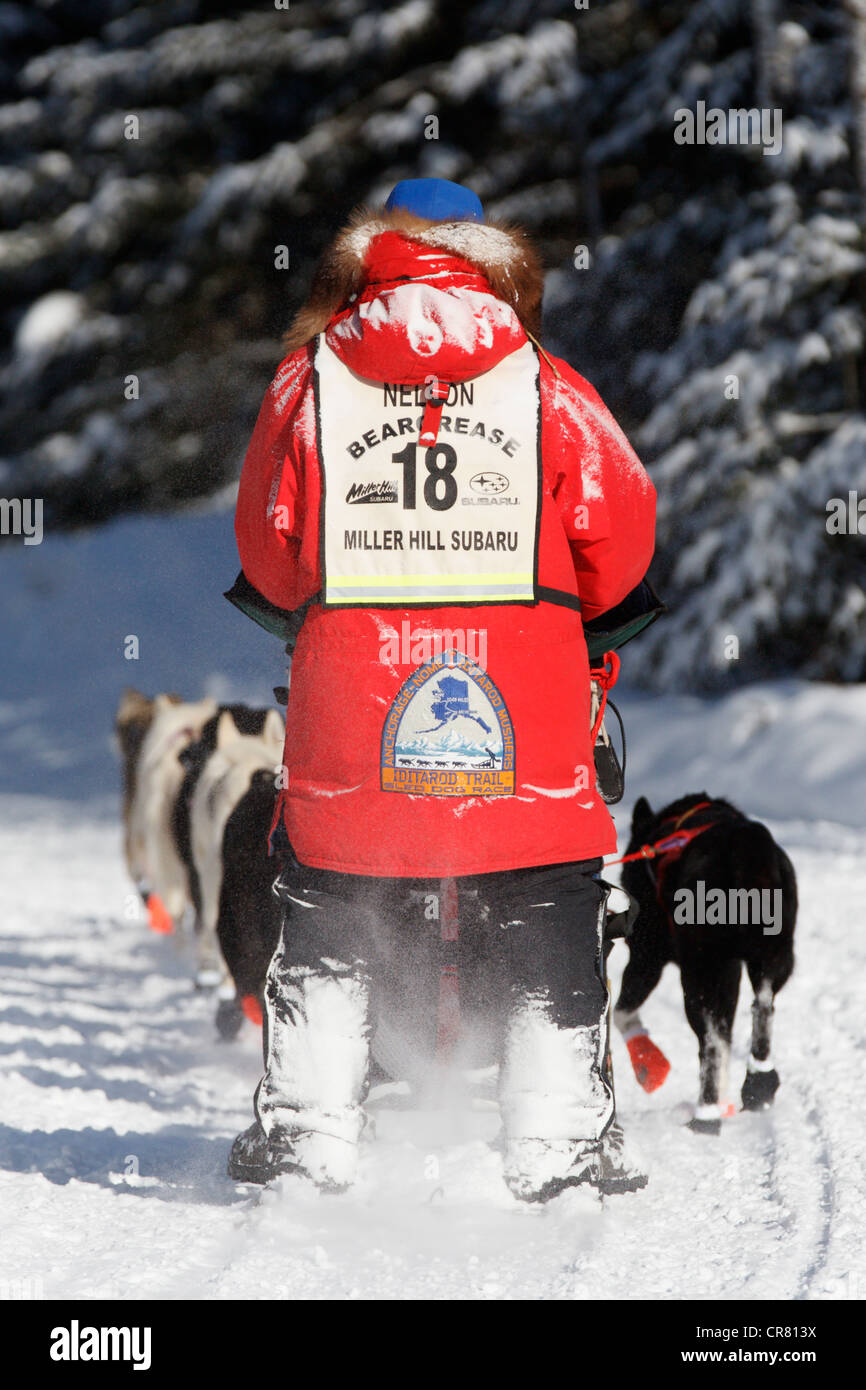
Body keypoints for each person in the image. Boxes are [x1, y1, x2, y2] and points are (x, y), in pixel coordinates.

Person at [226, 177, 656, 1201]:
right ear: (488, 258)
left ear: (369, 255)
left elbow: (270, 554)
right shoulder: (545, 384)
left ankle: (308, 1138)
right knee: (548, 888)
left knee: (329, 897)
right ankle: (553, 1145)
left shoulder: (308, 384)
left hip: (354, 716)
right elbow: (621, 537)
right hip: (525, 719)